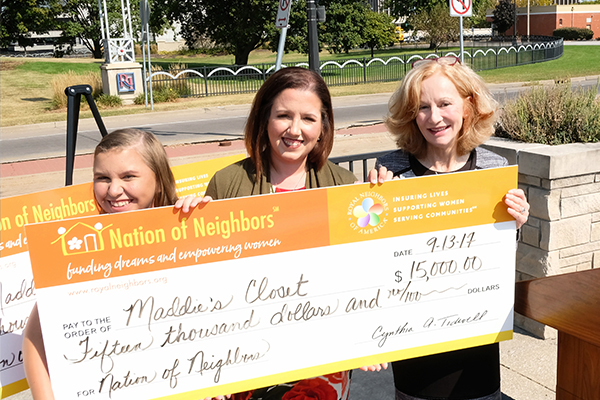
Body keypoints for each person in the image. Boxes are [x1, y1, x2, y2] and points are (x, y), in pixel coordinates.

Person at [367, 56, 529, 400]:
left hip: (476, 346)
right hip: (413, 346)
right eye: (422, 107)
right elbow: (374, 260)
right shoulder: (391, 172)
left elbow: (496, 263)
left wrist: (515, 223)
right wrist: (369, 208)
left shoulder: (492, 169)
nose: (434, 117)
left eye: (444, 104)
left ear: (468, 107)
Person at [201, 66, 358, 400]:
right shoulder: (227, 183)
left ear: (323, 126)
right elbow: (205, 278)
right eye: (283, 115)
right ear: (264, 119)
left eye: (308, 118)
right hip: (245, 353)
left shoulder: (344, 186)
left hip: (321, 358)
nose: (295, 129)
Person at [22, 128, 196, 400]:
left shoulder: (190, 230)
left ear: (160, 180)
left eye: (128, 176)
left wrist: (203, 220)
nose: (114, 190)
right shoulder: (78, 248)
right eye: (102, 178)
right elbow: (36, 340)